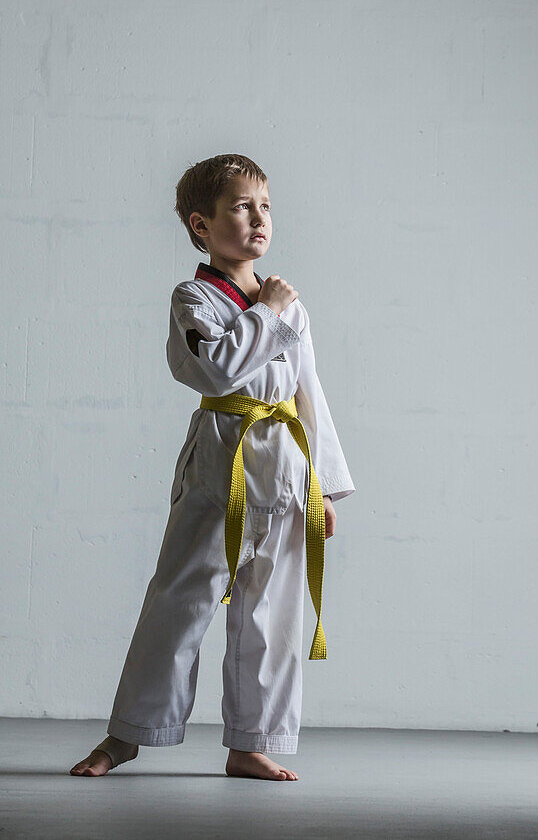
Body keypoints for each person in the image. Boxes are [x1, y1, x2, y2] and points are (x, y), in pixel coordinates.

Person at [70, 153, 355, 781]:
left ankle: (251, 741)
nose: (258, 219)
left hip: (284, 468)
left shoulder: (289, 306)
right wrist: (268, 313)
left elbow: (311, 395)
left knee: (271, 614)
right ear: (202, 225)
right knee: (180, 599)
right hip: (219, 465)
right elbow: (218, 369)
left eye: (265, 206)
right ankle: (127, 735)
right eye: (241, 206)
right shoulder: (194, 297)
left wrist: (324, 488)